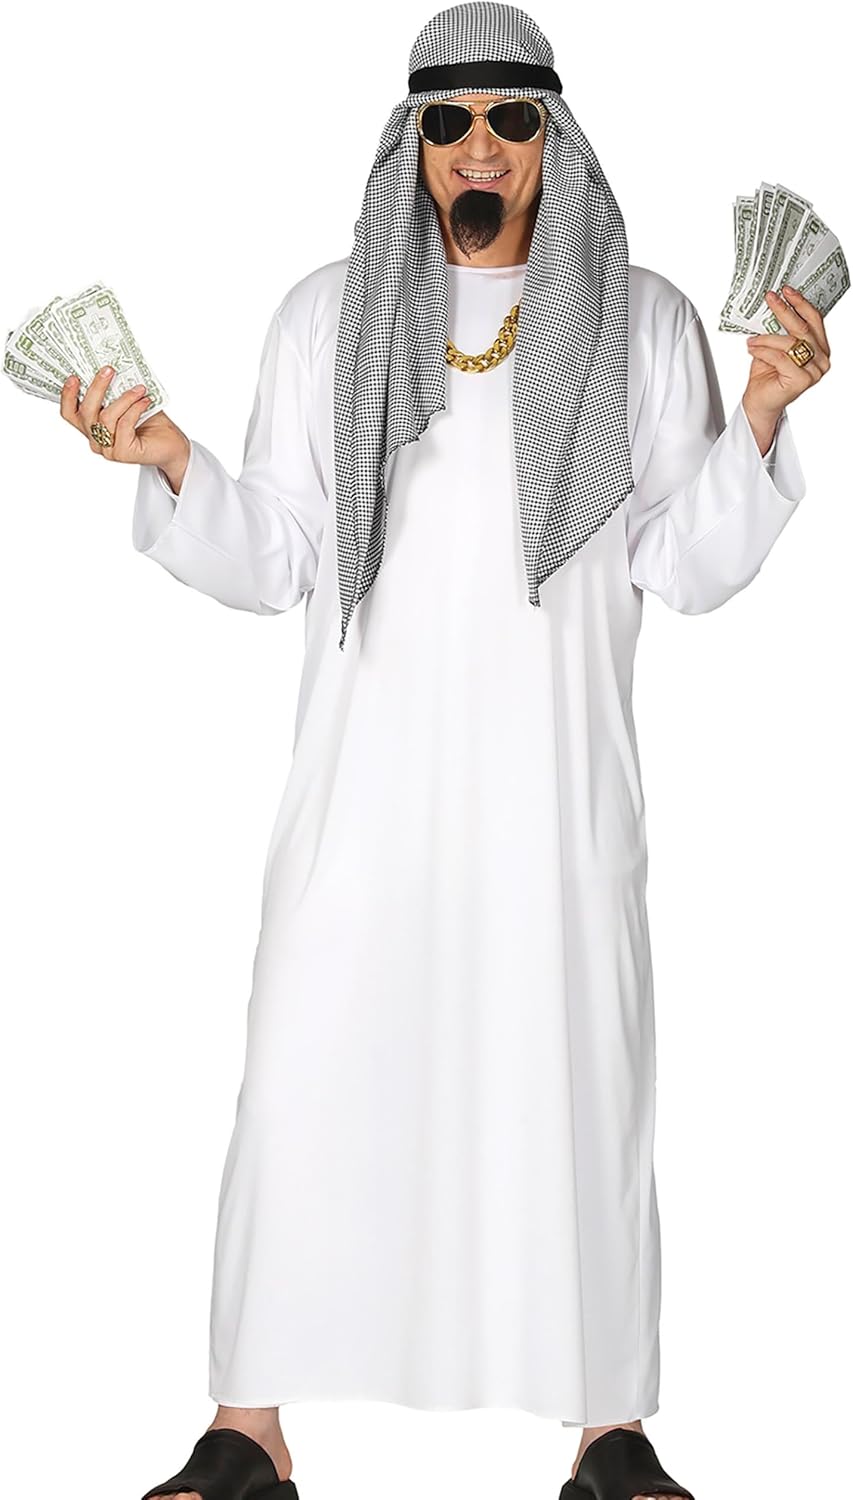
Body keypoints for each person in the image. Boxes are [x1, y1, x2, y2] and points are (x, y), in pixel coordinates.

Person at [59, 5, 831, 1499]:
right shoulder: (325, 315)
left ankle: (607, 1433)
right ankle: (249, 1427)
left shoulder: (644, 318)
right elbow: (277, 555)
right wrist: (170, 463)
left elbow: (685, 565)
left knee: (575, 1089)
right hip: (364, 797)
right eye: (449, 120)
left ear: (555, 139)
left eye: (510, 120)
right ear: (411, 140)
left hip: (556, 793)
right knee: (306, 1077)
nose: (479, 147)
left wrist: (758, 411)